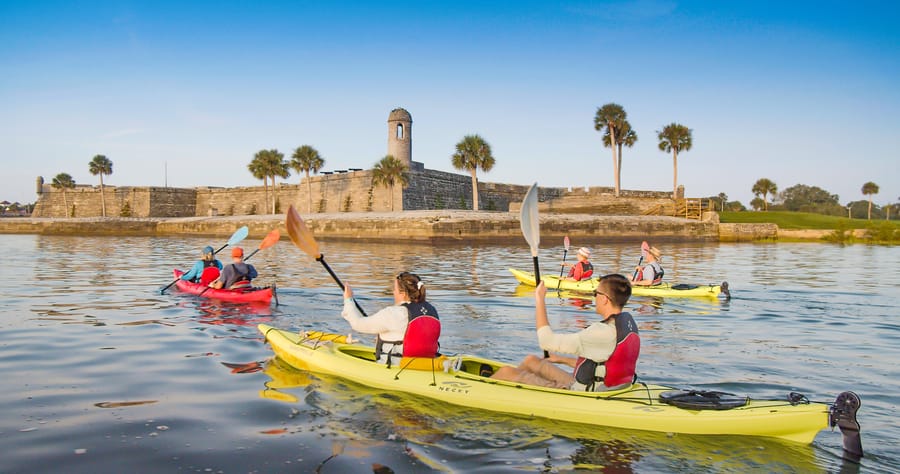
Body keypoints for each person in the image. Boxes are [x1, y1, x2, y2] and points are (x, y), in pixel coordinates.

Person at [491, 274, 639, 391]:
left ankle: (488, 390)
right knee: (531, 361)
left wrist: (539, 299)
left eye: (596, 293)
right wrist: (561, 359)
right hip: (608, 386)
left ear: (605, 299)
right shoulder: (625, 324)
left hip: (583, 393)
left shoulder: (600, 332)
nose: (594, 297)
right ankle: (512, 391)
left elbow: (546, 341)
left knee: (506, 372)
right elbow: (602, 364)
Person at [342, 271, 441, 366]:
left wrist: (348, 299)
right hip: (425, 363)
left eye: (395, 289)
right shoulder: (432, 310)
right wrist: (386, 335)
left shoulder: (393, 313)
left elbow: (357, 323)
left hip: (397, 368)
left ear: (403, 294)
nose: (393, 292)